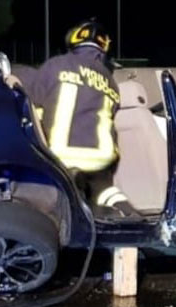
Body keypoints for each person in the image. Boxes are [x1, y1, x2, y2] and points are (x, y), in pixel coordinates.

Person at [31, 19, 132, 214]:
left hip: (58, 158)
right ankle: (126, 220)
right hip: (101, 159)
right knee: (105, 191)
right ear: (103, 49)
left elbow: (34, 110)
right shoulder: (109, 80)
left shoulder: (54, 66)